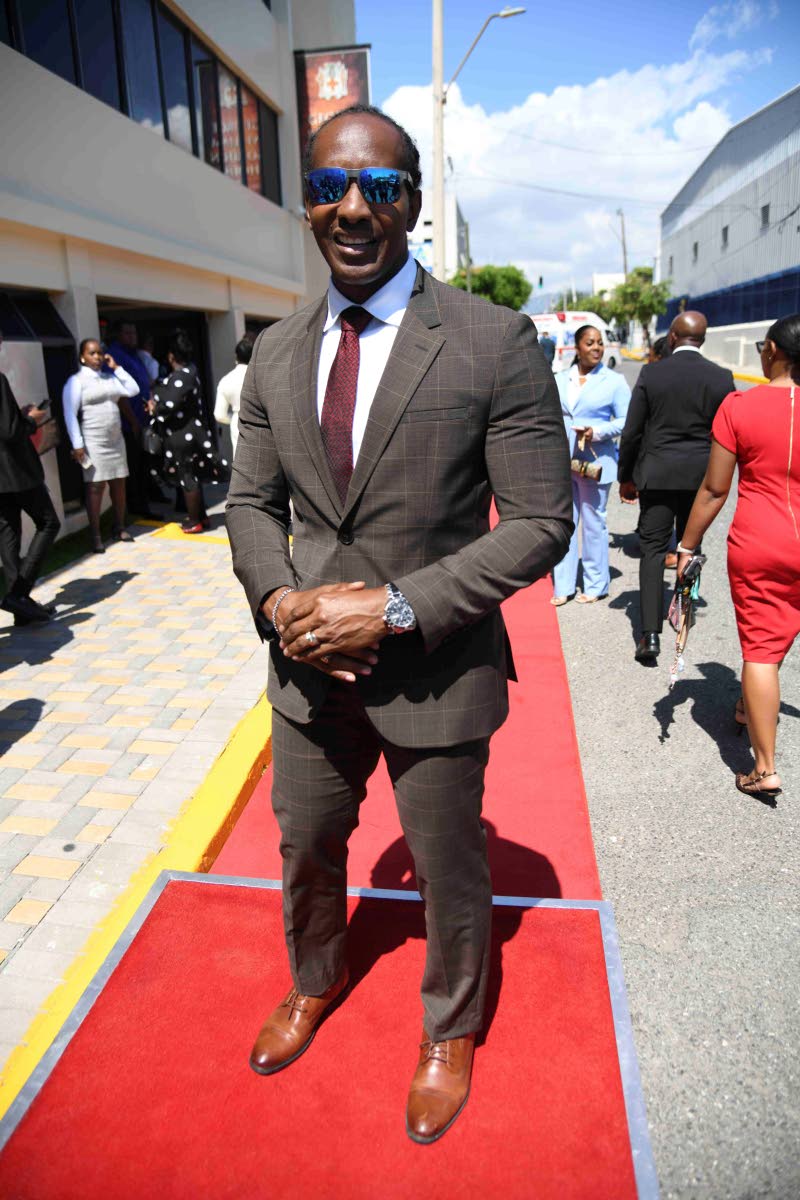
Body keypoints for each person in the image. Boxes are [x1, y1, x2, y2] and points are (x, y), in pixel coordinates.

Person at [225, 104, 572, 1144]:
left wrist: (397, 605)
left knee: (449, 862)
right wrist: (280, 600)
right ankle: (312, 979)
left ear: (411, 202)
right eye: (330, 186)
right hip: (304, 671)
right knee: (306, 844)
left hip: (434, 668)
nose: (351, 208)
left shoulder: (490, 339)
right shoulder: (275, 350)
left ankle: (448, 1028)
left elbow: (542, 522)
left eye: (378, 188)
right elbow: (249, 507)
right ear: (305, 205)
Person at [677, 315, 800, 802]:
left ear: (771, 350)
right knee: (779, 634)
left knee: (761, 649)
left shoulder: (739, 406)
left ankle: (763, 767)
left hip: (760, 542)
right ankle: (752, 706)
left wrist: (687, 545)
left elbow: (714, 489)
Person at [618, 311, 734, 662]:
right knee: (690, 546)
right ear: (703, 339)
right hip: (701, 479)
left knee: (653, 549)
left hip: (656, 474)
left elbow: (633, 430)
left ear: (671, 336)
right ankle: (683, 615)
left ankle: (649, 635)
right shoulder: (721, 378)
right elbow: (727, 435)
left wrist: (627, 476)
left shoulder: (652, 373)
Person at [551, 324, 630, 605]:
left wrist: (596, 432)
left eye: (600, 343)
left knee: (594, 523)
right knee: (564, 523)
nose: (597, 347)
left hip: (595, 463)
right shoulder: (560, 378)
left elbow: (626, 421)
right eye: (590, 342)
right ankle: (563, 585)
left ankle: (596, 584)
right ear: (577, 347)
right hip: (562, 462)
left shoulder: (614, 381)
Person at [0, 333, 60, 624]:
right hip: (15, 472)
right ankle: (18, 594)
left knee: (9, 533)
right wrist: (31, 418)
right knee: (49, 522)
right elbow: (10, 431)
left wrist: (19, 416)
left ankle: (21, 608)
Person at [62, 339, 141, 553]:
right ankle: (96, 535)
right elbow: (70, 414)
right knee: (95, 487)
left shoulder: (109, 377)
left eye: (99, 353)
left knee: (119, 483)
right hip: (93, 440)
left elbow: (133, 390)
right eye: (92, 353)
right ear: (82, 357)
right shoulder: (76, 381)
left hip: (115, 440)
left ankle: (119, 526)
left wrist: (117, 368)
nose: (97, 357)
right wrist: (77, 444)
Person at [149, 330, 226, 534]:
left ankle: (194, 520)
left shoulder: (181, 376)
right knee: (193, 475)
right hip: (190, 432)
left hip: (182, 434)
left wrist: (154, 408)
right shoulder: (191, 371)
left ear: (171, 356)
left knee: (187, 476)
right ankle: (201, 517)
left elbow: (168, 405)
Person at [105, 321, 154, 516]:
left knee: (144, 466)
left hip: (143, 420)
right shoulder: (114, 356)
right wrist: (133, 421)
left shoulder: (135, 355)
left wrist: (150, 399)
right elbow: (119, 395)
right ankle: (137, 509)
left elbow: (145, 382)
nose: (132, 337)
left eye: (134, 332)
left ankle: (146, 501)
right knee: (134, 468)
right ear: (118, 335)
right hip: (128, 424)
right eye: (127, 333)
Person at [214, 336, 252, 456]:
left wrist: (233, 417)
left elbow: (219, 415)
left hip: (238, 422)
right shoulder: (261, 376)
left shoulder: (226, 381)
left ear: (236, 357)